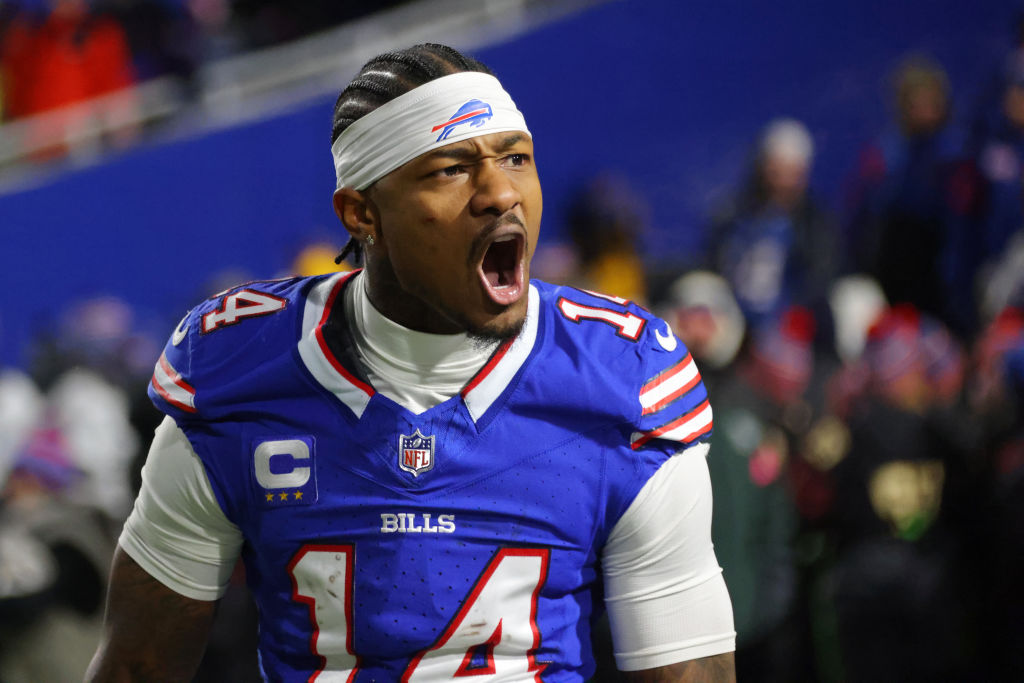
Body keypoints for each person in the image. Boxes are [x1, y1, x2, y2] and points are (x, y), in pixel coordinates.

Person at [86, 43, 736, 681]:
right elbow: (138, 665)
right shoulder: (240, 373)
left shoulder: (618, 382)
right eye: (452, 168)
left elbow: (689, 669)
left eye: (515, 158)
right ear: (362, 212)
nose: (500, 194)